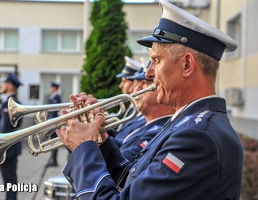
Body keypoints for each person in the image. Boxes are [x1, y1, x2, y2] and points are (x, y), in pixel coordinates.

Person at [56, 0, 244, 199]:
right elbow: (133, 180)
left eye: (157, 60)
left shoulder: (197, 137)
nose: (148, 72)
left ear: (187, 65)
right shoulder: (187, 124)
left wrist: (84, 148)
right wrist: (100, 141)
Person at [0, 73, 23, 200]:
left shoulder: (11, 103)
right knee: (9, 181)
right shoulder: (9, 102)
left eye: (3, 82)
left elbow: (6, 128)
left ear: (10, 85)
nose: (1, 85)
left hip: (8, 148)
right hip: (9, 148)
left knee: (10, 181)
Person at [46, 82, 61, 167]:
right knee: (52, 141)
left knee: (53, 141)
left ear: (55, 88)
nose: (50, 89)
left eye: (51, 87)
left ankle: (54, 161)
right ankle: (53, 159)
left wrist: (50, 121)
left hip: (54, 121)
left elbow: (53, 110)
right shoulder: (53, 97)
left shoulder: (56, 97)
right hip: (52, 121)